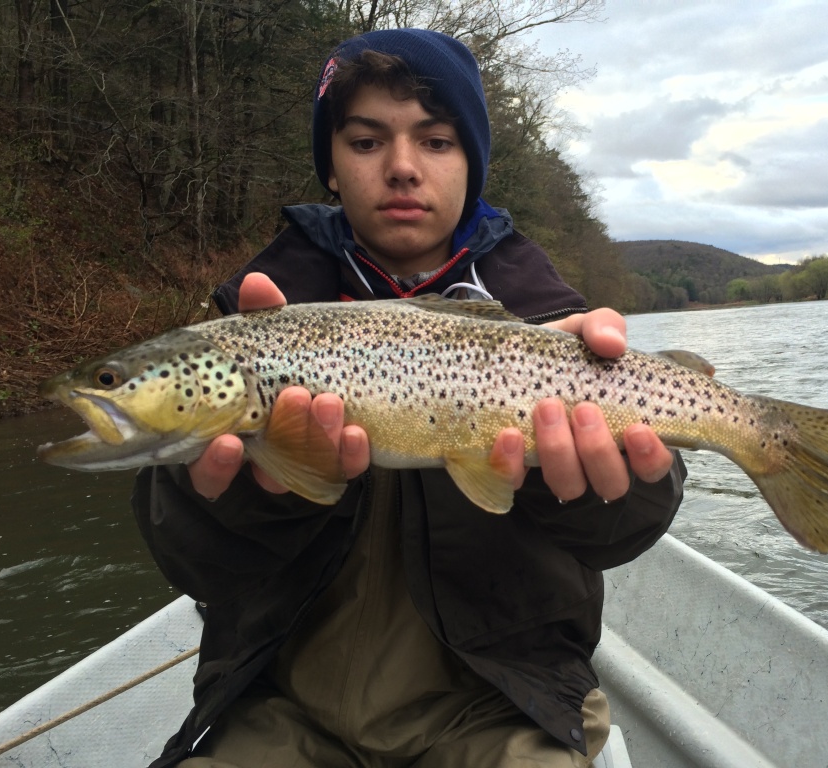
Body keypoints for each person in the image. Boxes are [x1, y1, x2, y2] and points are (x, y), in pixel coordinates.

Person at [133, 28, 686, 768]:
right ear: (332, 166)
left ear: (471, 164)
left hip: (508, 706)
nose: (400, 167)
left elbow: (628, 532)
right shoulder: (248, 328)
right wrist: (255, 492)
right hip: (278, 705)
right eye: (366, 142)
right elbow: (188, 560)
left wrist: (577, 488)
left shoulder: (555, 327)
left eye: (435, 141)